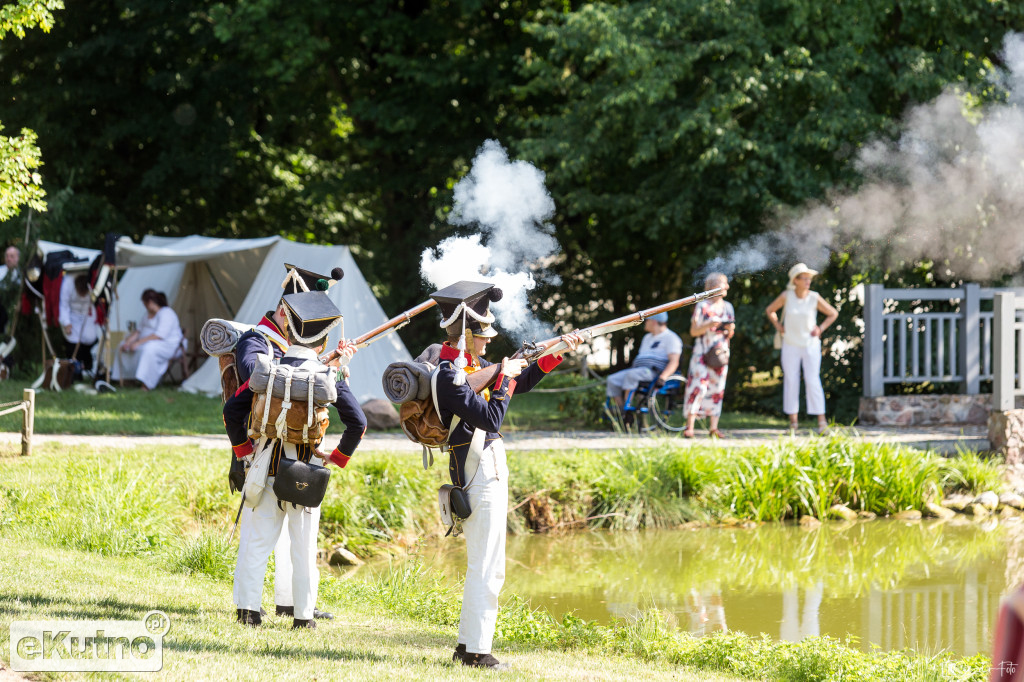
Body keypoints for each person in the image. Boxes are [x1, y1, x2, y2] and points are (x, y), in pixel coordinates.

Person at [428, 280, 583, 669]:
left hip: (484, 468)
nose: (487, 344)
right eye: (481, 338)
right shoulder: (449, 375)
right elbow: (492, 415)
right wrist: (502, 376)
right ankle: (478, 652)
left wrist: (554, 352)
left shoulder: (471, 368)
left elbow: (521, 381)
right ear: (465, 335)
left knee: (485, 562)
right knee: (488, 565)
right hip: (478, 470)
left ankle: (468, 646)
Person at [227, 289, 366, 629]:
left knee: (256, 543)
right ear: (322, 342)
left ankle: (248, 612)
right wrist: (335, 457)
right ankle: (303, 618)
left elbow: (233, 410)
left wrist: (245, 452)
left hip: (266, 467)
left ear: (288, 333)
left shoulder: (266, 371)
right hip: (306, 472)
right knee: (303, 550)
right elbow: (358, 423)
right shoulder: (326, 375)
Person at [765, 263, 839, 434]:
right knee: (791, 381)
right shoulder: (787, 296)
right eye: (804, 278)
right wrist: (779, 326)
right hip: (790, 344)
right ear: (795, 280)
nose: (808, 281)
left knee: (813, 380)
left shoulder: (814, 297)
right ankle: (793, 424)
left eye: (809, 278)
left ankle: (822, 423)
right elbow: (770, 310)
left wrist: (820, 328)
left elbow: (832, 313)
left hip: (810, 345)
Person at [681, 272, 735, 438]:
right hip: (702, 352)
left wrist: (729, 330)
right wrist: (708, 324)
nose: (726, 286)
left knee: (717, 388)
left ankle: (713, 427)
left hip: (720, 351)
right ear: (712, 286)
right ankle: (689, 426)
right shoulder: (702, 306)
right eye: (722, 283)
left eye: (726, 283)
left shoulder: (728, 307)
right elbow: (693, 331)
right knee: (699, 385)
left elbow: (731, 334)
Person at [605, 311, 683, 424]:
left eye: (647, 320)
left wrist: (663, 377)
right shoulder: (647, 338)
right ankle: (623, 411)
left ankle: (628, 409)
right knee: (612, 379)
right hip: (638, 370)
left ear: (654, 322)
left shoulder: (671, 338)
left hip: (653, 372)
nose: (644, 323)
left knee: (631, 375)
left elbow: (674, 362)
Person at [112, 289, 183, 390]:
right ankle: (126, 378)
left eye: (145, 303)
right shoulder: (146, 315)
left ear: (150, 302)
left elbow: (159, 335)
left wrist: (138, 343)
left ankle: (147, 383)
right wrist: (128, 342)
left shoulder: (167, 313)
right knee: (121, 345)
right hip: (146, 343)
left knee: (149, 349)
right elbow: (138, 331)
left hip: (167, 345)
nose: (144, 305)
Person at [58, 273, 100, 376]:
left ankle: (87, 365)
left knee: (90, 337)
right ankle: (75, 372)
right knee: (73, 342)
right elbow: (64, 305)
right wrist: (66, 322)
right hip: (72, 314)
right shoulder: (68, 283)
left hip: (87, 313)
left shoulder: (93, 284)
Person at [0, 245, 20, 358]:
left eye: (12, 256)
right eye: (7, 256)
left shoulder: (20, 276)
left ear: (17, 258)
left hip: (11, 313)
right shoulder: (0, 271)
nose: (9, 259)